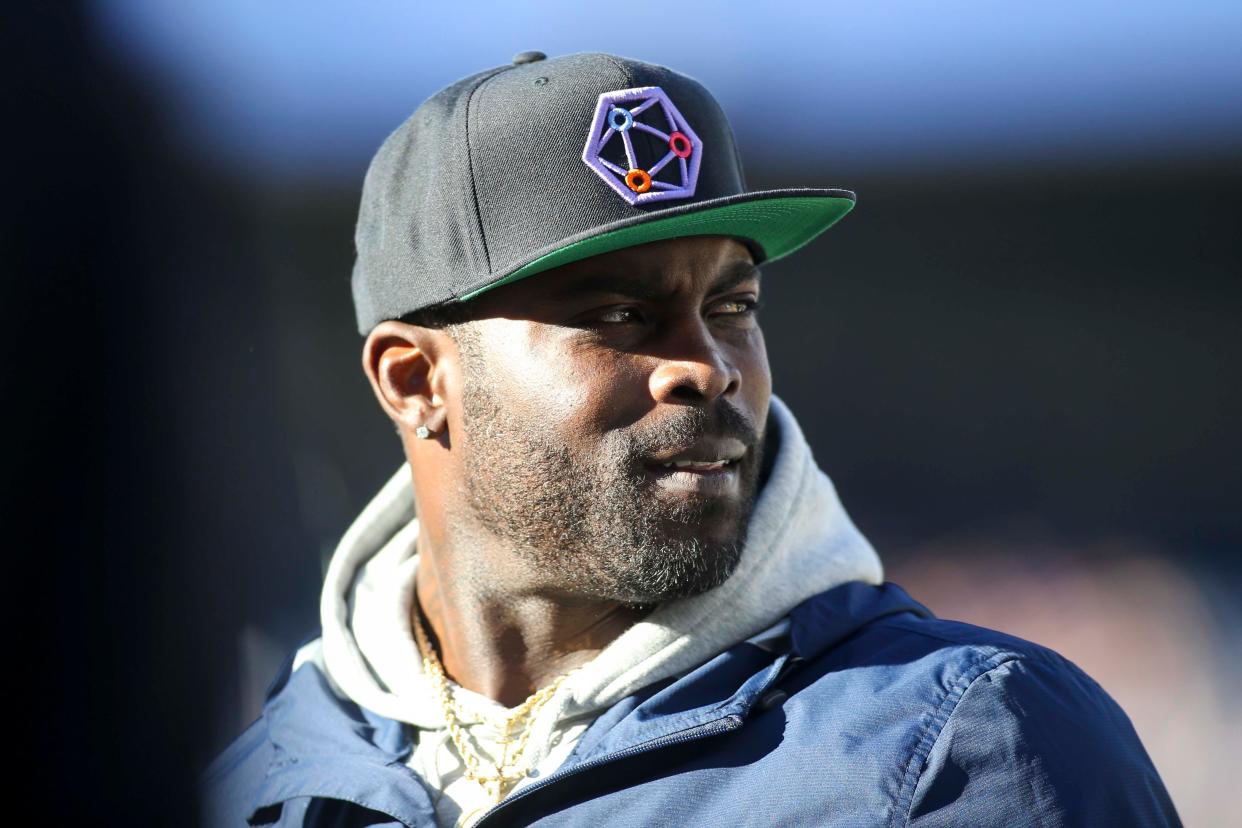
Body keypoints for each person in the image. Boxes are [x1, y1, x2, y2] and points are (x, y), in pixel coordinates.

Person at [201, 51, 1180, 827]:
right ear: (417, 382)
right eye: (623, 315)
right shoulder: (260, 790)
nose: (706, 365)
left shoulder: (969, 748)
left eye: (733, 304)